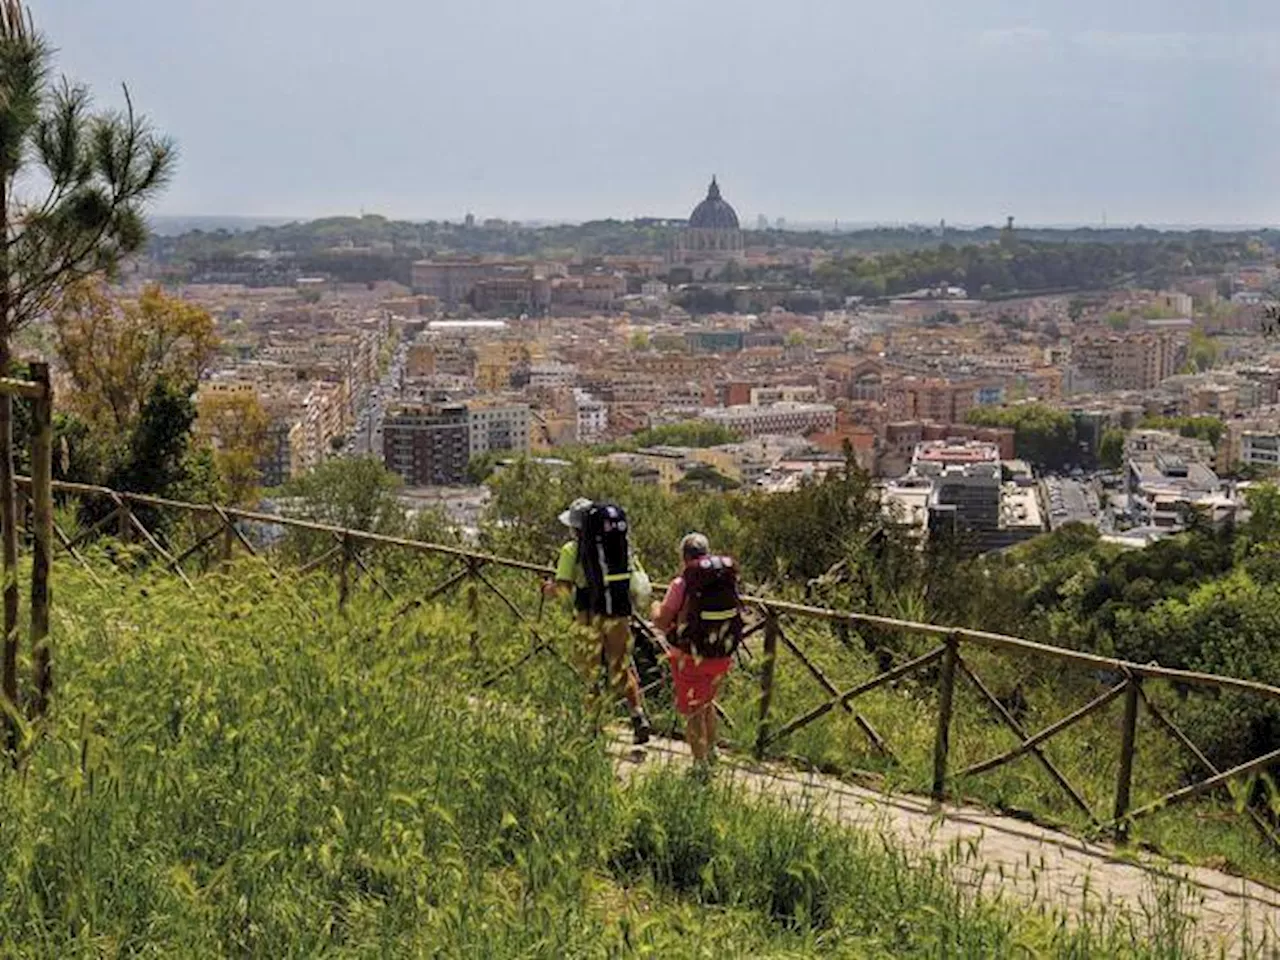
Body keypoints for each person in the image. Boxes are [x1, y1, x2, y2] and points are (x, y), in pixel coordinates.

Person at [543, 497, 652, 744]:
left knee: (589, 673)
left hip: (588, 615)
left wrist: (546, 589)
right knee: (620, 668)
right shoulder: (622, 548)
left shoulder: (572, 550)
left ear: (576, 527)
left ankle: (592, 726)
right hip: (620, 613)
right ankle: (638, 717)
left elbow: (563, 591)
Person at [653, 532, 741, 770]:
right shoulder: (725, 579)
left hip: (690, 657)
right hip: (722, 654)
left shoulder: (681, 584)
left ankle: (699, 765)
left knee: (693, 710)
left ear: (684, 557)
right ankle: (712, 752)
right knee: (707, 703)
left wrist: (653, 607)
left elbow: (661, 622)